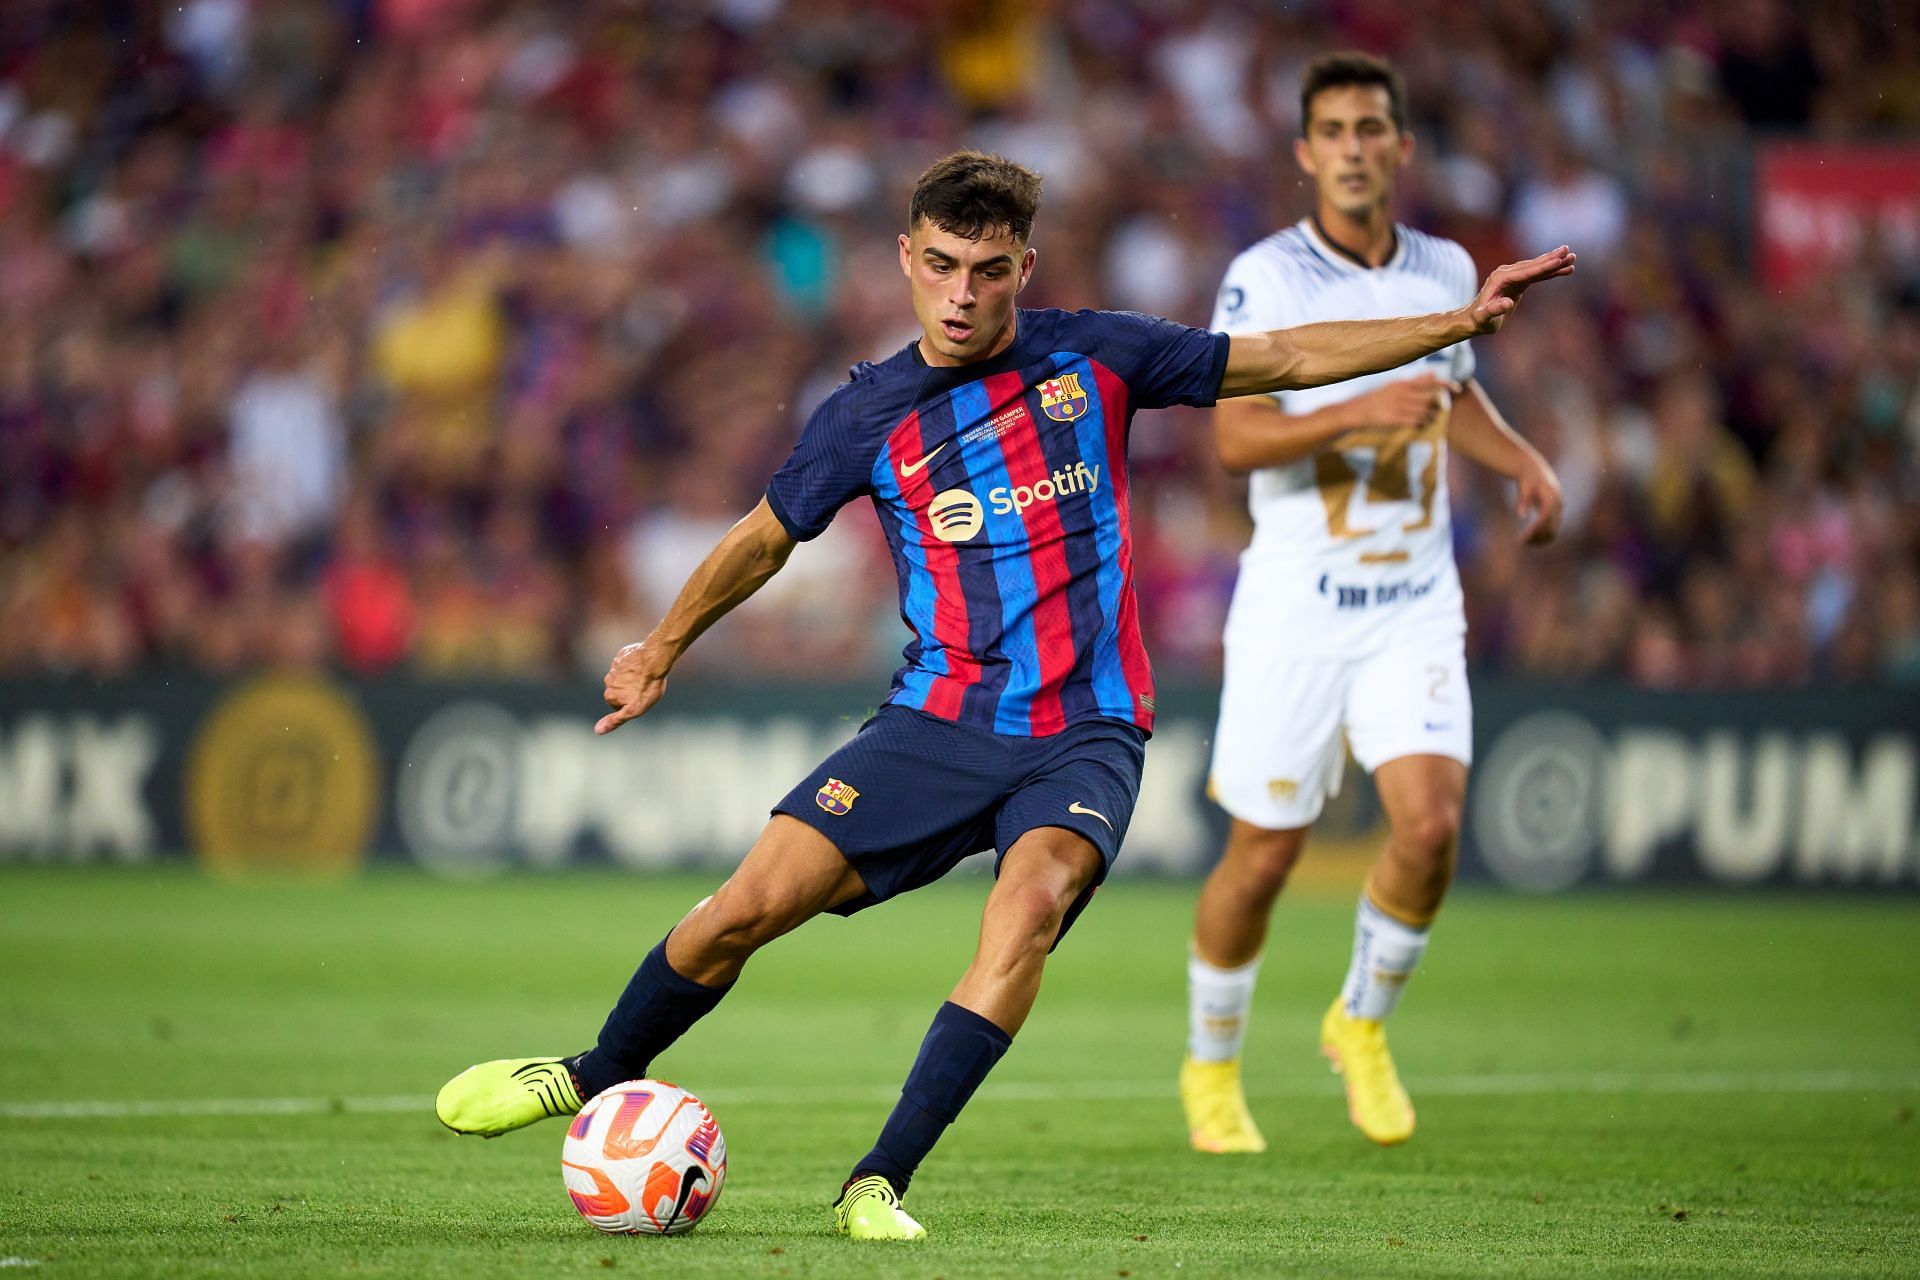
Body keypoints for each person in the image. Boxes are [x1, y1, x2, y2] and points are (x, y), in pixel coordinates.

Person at [436, 149, 1573, 1239]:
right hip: (934, 721)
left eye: (988, 269)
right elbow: (764, 538)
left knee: (1024, 915)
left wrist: (1456, 322)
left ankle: (877, 1179)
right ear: (905, 260)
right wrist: (661, 645)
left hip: (1085, 733)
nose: (963, 293)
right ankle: (590, 1071)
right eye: (940, 265)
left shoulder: (1103, 357)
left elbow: (1281, 356)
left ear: (1025, 267)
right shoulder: (866, 413)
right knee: (743, 909)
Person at [1178, 53, 1566, 1156]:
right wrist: (1352, 417)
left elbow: (1452, 397)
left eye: (1371, 128)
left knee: (1434, 823)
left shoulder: (1447, 265)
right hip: (1297, 607)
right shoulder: (1266, 277)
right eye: (1334, 130)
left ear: (1402, 148)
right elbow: (1233, 433)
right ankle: (1212, 1063)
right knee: (1262, 853)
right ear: (1306, 154)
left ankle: (1360, 1017)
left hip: (1412, 601)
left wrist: (1521, 459)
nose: (1353, 146)